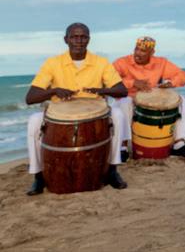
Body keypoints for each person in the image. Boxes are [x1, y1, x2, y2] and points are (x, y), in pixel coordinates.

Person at [25, 22, 129, 195]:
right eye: (74, 37)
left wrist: (101, 90)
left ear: (89, 39)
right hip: (60, 110)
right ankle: (38, 176)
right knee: (34, 121)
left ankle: (112, 170)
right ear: (66, 40)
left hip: (95, 109)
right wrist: (54, 91)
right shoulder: (53, 63)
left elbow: (122, 91)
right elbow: (30, 98)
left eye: (83, 37)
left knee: (117, 114)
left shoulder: (101, 63)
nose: (79, 41)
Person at [112, 37, 185, 158]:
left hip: (150, 100)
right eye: (136, 49)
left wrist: (171, 83)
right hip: (128, 97)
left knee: (181, 100)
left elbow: (183, 76)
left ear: (152, 53)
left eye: (143, 51)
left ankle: (179, 143)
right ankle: (123, 146)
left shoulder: (161, 62)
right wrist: (133, 83)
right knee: (125, 103)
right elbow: (110, 79)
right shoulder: (122, 62)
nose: (138, 53)